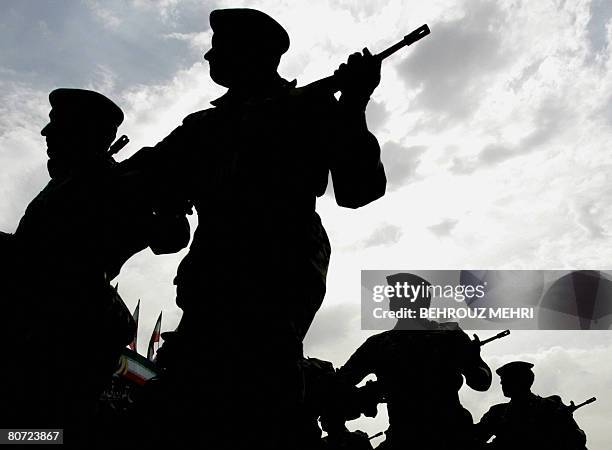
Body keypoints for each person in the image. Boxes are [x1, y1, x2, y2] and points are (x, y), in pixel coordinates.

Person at [126, 8, 386, 449]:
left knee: (263, 403)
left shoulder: (309, 109)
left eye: (221, 47)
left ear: (253, 53)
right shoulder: (206, 126)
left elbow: (359, 189)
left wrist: (354, 106)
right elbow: (142, 179)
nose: (209, 55)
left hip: (276, 276)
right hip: (210, 286)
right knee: (179, 405)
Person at [0, 88, 189, 443]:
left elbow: (172, 237)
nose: (46, 133)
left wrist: (163, 204)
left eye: (57, 124)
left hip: (70, 321)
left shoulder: (114, 183)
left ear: (84, 132)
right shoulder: (67, 183)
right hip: (38, 318)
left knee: (42, 429)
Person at [337, 272, 492, 450]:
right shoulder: (449, 335)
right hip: (422, 436)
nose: (394, 303)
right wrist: (370, 394)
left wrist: (471, 358)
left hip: (441, 436)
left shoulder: (380, 344)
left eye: (397, 298)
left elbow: (481, 382)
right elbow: (482, 382)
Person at [475, 361, 588, 450]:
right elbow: (474, 439)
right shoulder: (497, 411)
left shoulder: (551, 406)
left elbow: (578, 440)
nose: (501, 383)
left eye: (506, 379)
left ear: (522, 381)